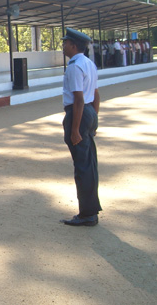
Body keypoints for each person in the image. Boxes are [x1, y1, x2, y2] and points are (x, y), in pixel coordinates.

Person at [60, 28, 101, 227]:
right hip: (89, 112)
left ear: (73, 45)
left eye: (65, 43)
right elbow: (96, 94)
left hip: (79, 113)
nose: (63, 46)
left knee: (82, 166)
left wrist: (75, 129)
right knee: (89, 164)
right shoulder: (89, 63)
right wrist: (94, 119)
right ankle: (91, 210)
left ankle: (87, 214)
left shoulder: (75, 66)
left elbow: (78, 99)